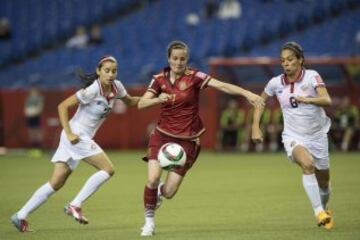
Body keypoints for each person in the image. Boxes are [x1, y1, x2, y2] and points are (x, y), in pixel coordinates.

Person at [137, 40, 264, 236]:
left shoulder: (195, 77)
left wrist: (247, 93)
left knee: (169, 193)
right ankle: (149, 222)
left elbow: (222, 85)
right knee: (152, 178)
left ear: (187, 59)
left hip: (187, 140)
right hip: (161, 136)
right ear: (168, 59)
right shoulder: (158, 79)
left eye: (182, 59)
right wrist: (156, 99)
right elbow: (141, 104)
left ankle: (159, 194)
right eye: (175, 58)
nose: (179, 62)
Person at [11, 56, 140, 232]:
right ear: (98, 71)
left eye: (114, 71)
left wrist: (156, 98)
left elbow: (131, 102)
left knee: (56, 182)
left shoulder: (117, 87)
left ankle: (20, 215)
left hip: (76, 137)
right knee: (108, 169)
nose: (111, 74)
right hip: (77, 135)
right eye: (107, 70)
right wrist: (70, 133)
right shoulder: (92, 90)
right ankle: (75, 204)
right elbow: (62, 106)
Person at [252, 42, 334, 230]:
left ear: (300, 60)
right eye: (282, 61)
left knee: (324, 183)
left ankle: (326, 208)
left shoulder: (312, 76)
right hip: (293, 136)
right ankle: (318, 212)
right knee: (307, 164)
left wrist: (308, 99)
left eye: (290, 59)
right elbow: (259, 101)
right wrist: (255, 127)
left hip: (317, 135)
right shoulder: (275, 83)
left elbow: (327, 99)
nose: (286, 64)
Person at [24, 85, 44, 157]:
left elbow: (39, 109)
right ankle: (33, 149)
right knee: (31, 134)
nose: (33, 92)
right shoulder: (28, 99)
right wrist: (29, 113)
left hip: (36, 118)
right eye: (32, 91)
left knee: (37, 133)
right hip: (30, 118)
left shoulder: (39, 98)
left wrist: (33, 112)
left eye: (34, 91)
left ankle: (39, 149)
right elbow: (26, 109)